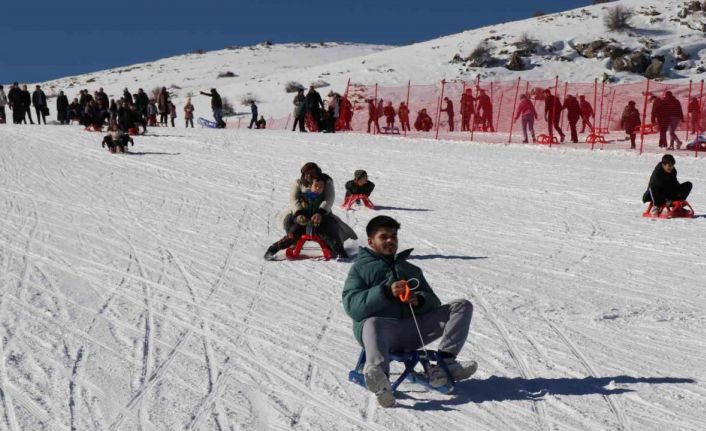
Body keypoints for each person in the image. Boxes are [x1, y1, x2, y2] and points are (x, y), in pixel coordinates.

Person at [342, 215, 477, 408]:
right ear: (371, 241)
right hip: (381, 333)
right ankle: (380, 379)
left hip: (413, 331)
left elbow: (434, 302)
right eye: (384, 237)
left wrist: (419, 300)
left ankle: (444, 365)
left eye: (394, 236)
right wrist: (386, 292)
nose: (390, 241)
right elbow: (352, 307)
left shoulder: (409, 269)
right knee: (372, 322)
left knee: (462, 306)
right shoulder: (360, 269)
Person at [271, 162, 357, 260]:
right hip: (300, 214)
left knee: (329, 228)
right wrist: (299, 213)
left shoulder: (325, 181)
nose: (308, 176)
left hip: (322, 213)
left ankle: (337, 249)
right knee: (291, 225)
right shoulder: (299, 183)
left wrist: (320, 212)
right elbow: (293, 199)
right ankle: (286, 244)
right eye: (306, 174)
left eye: (312, 173)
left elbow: (329, 199)